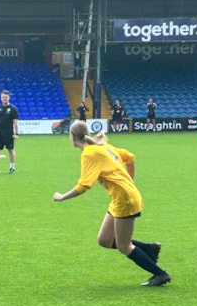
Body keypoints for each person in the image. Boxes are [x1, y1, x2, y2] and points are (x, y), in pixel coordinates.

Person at [52, 121, 171, 287]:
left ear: (72, 137)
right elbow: (130, 158)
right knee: (105, 240)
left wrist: (62, 197)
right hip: (120, 198)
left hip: (125, 199)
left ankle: (160, 274)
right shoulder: (102, 146)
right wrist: (129, 180)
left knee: (124, 246)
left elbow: (84, 185)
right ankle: (148, 249)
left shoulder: (90, 153)